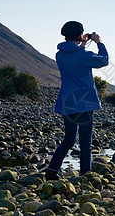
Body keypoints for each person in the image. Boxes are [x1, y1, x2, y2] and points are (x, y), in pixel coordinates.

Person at [45, 21, 109, 180]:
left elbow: (74, 56)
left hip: (67, 102)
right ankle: (85, 174)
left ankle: (52, 170)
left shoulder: (59, 54)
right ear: (79, 35)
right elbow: (103, 60)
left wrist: (83, 43)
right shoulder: (83, 55)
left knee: (69, 139)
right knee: (85, 141)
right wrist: (99, 43)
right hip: (84, 102)